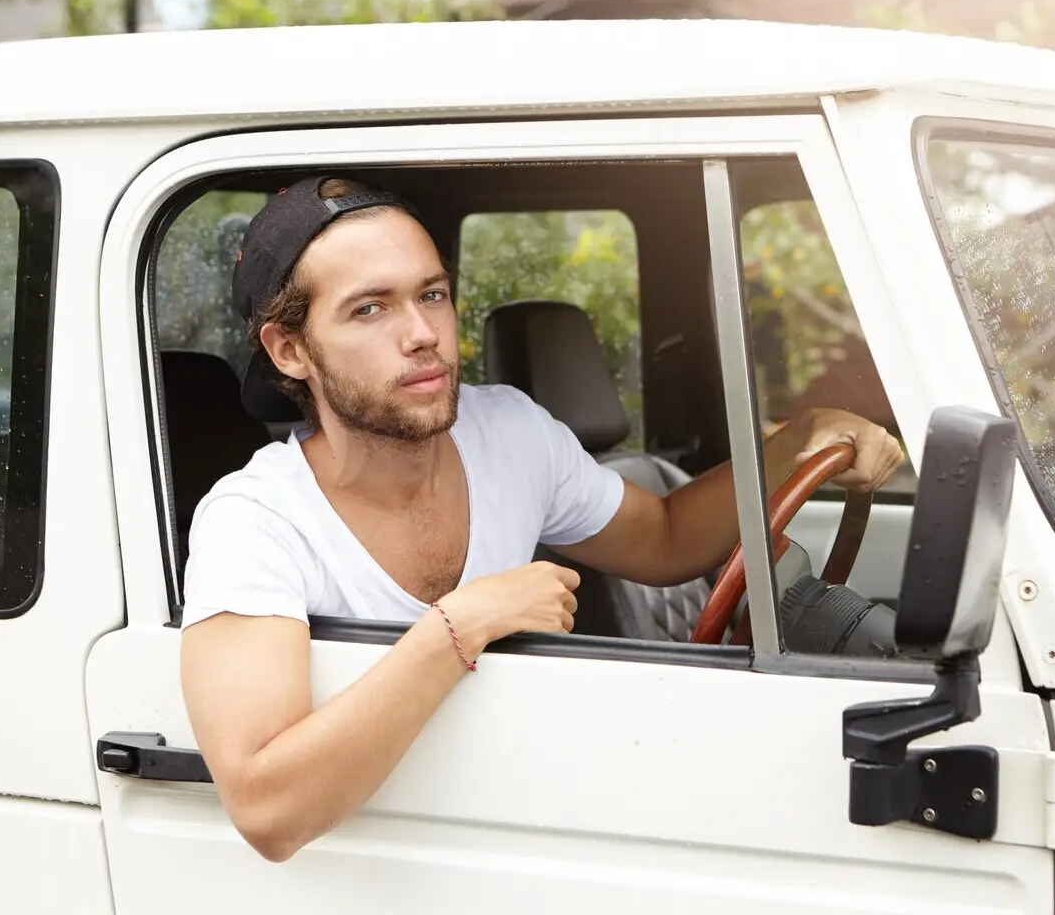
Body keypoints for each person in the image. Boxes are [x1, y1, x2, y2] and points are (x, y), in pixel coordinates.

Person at [179, 175, 906, 862]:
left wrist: (801, 437)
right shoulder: (255, 522)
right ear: (291, 349)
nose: (423, 333)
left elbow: (666, 539)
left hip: (525, 830)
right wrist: (461, 626)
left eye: (431, 295)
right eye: (370, 309)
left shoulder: (509, 432)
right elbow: (268, 811)